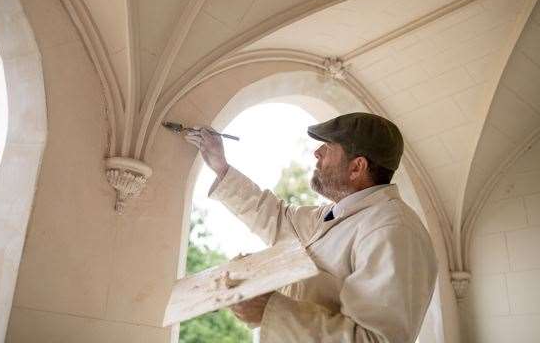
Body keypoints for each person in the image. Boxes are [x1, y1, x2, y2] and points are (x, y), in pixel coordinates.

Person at [184, 112, 438, 343]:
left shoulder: (393, 230)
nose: (317, 153)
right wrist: (221, 166)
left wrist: (269, 309)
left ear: (357, 167)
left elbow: (375, 340)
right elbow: (276, 217)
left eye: (327, 147)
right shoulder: (332, 216)